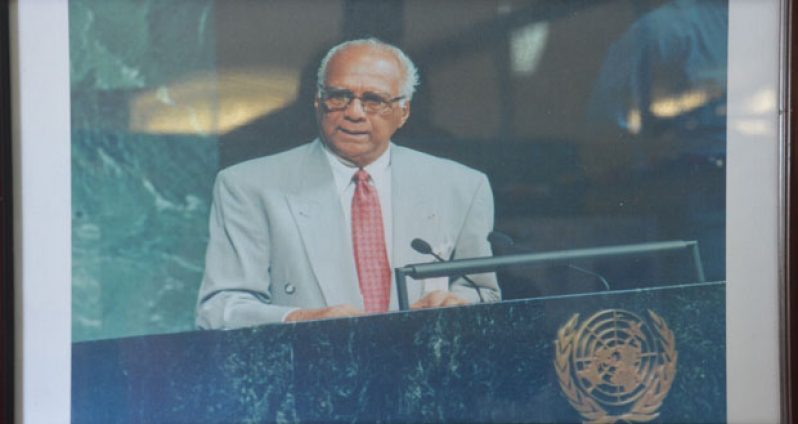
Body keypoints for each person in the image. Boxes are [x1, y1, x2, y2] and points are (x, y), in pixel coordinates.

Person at [196, 38, 500, 328]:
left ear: (403, 112)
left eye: (374, 100)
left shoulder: (462, 186)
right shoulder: (248, 186)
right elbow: (220, 309)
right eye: (339, 96)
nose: (354, 113)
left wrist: (454, 304)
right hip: (310, 371)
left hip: (424, 374)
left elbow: (484, 294)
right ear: (318, 101)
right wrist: (301, 320)